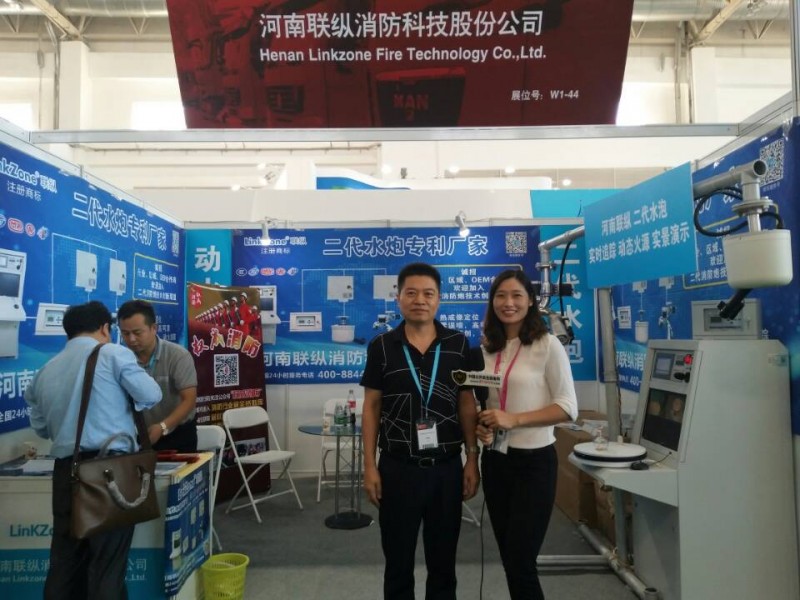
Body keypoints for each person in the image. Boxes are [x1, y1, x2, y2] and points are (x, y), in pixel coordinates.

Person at [24, 301, 162, 600]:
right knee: (107, 564)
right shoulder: (112, 354)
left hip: (66, 472)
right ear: (104, 328)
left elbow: (42, 429)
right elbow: (151, 394)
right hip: (108, 473)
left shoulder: (45, 370)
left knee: (65, 562)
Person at [360, 262, 480, 600]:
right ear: (398, 298)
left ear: (439, 299)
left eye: (428, 293)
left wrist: (472, 459)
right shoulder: (382, 346)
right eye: (411, 293)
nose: (419, 300)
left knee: (444, 564)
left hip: (446, 469)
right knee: (398, 564)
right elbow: (371, 407)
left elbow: (466, 403)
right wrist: (369, 466)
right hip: (398, 468)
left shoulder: (458, 344)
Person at [476, 269, 578, 600]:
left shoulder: (547, 345)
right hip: (496, 462)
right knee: (510, 559)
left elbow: (568, 408)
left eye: (517, 295)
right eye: (501, 296)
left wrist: (514, 420)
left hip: (534, 464)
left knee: (521, 562)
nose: (508, 303)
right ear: (492, 302)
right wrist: (484, 425)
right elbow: (489, 405)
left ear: (531, 301)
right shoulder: (487, 348)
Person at [117, 299, 199, 452]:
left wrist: (163, 426)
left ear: (154, 328)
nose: (131, 339)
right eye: (125, 333)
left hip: (178, 433)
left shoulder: (177, 356)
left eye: (137, 333)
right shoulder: (121, 359)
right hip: (142, 435)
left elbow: (189, 400)